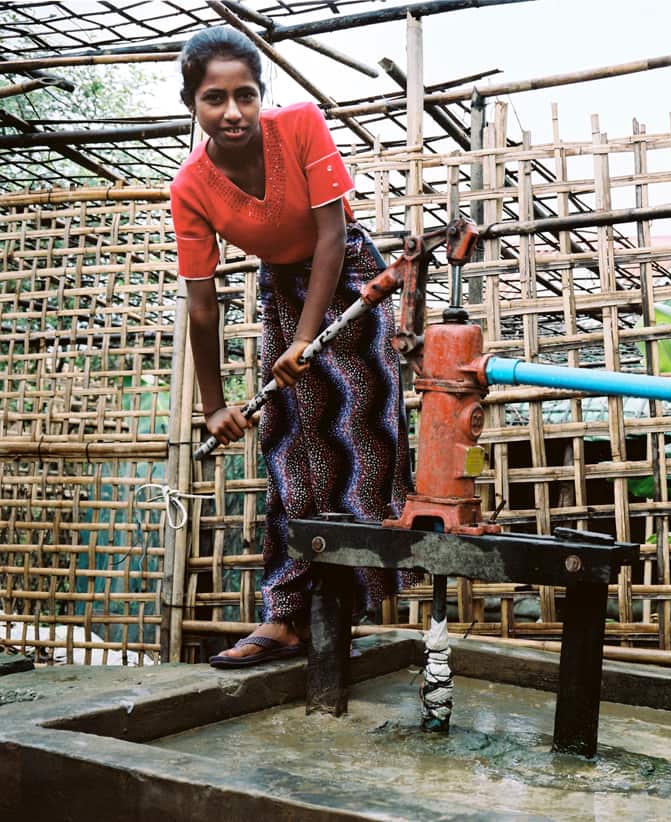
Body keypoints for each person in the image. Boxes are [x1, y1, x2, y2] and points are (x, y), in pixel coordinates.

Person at [170, 26, 416, 666]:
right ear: (191, 103)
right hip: (282, 292)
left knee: (359, 438)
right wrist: (214, 406)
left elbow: (332, 235)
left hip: (349, 283)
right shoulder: (189, 186)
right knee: (287, 443)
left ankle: (340, 608)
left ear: (262, 94)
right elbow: (202, 304)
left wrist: (308, 338)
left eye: (245, 95)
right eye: (214, 98)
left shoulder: (301, 124)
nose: (232, 112)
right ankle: (284, 615)